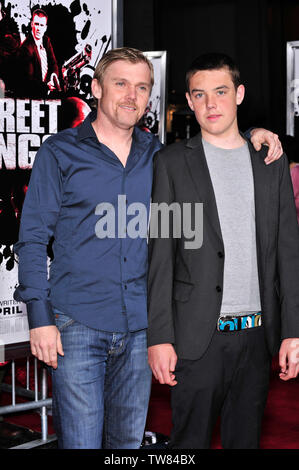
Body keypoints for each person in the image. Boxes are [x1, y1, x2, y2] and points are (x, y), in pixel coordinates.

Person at [14, 47, 283, 449]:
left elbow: (215, 147)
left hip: (142, 329)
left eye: (142, 87)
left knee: (127, 446)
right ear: (96, 88)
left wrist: (249, 136)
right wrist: (39, 317)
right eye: (120, 83)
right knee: (82, 443)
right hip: (77, 324)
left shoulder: (159, 156)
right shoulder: (60, 152)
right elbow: (33, 238)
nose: (131, 95)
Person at [147, 53, 299, 449]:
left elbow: (289, 253)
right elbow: (161, 254)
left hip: (257, 338)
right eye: (200, 94)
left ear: (239, 94)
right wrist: (159, 337)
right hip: (196, 340)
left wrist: (293, 332)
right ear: (188, 100)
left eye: (220, 92)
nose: (211, 104)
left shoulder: (270, 160)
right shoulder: (172, 164)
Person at [17, 8, 60, 98]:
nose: (38, 29)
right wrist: (47, 86)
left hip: (48, 93)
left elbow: (53, 63)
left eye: (41, 25)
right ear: (32, 24)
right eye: (36, 24)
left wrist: (53, 75)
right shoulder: (26, 48)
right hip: (34, 96)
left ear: (45, 28)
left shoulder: (46, 41)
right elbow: (29, 81)